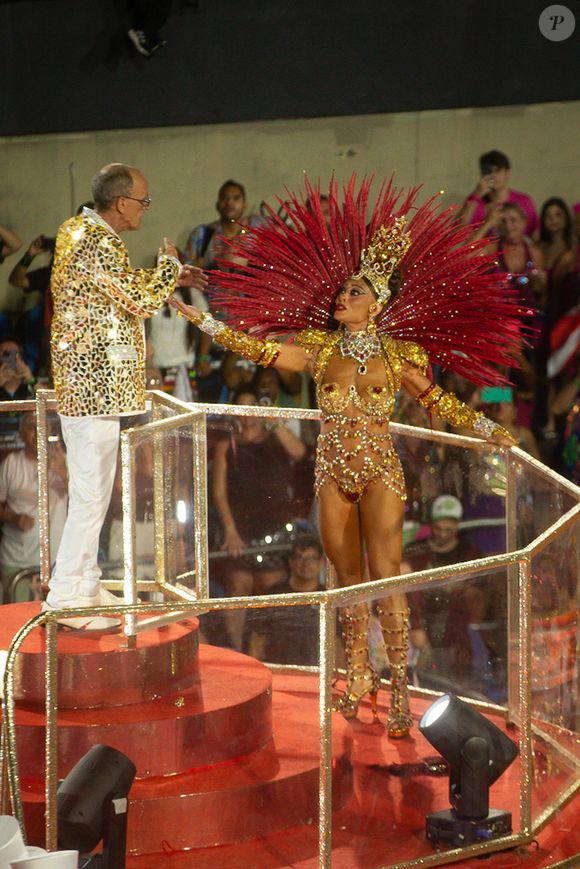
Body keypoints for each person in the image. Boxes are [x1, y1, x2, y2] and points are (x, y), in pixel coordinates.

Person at [171, 175, 524, 738]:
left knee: (386, 577)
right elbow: (259, 348)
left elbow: (436, 399)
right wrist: (200, 319)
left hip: (381, 469)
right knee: (344, 578)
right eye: (341, 292)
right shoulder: (319, 350)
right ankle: (358, 672)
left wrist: (489, 428)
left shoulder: (398, 352)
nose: (342, 297)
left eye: (354, 292)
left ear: (377, 302)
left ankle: (402, 687)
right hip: (332, 471)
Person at [47, 162, 206, 630]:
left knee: (94, 494)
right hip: (91, 389)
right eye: (143, 200)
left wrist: (168, 277)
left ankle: (83, 579)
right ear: (122, 203)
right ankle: (66, 595)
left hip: (97, 389)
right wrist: (168, 268)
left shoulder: (83, 233)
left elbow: (122, 289)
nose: (145, 209)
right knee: (91, 494)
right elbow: (138, 300)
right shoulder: (93, 239)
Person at [211, 388, 309, 649]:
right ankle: (237, 648)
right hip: (240, 526)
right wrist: (230, 530)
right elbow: (218, 491)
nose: (248, 416)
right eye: (241, 410)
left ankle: (269, 648)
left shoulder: (275, 439)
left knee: (271, 585)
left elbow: (299, 453)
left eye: (252, 408)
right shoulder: (227, 445)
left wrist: (274, 422)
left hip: (275, 524)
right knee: (238, 583)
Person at [0, 413, 68, 603]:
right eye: (31, 427)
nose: (37, 432)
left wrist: (63, 474)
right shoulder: (11, 463)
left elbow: (84, 501)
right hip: (16, 559)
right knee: (15, 621)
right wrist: (14, 518)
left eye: (42, 427)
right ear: (21, 433)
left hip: (55, 562)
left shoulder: (62, 459)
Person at [244, 534, 325, 664]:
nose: (306, 564)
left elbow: (336, 641)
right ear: (291, 561)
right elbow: (257, 637)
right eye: (300, 557)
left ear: (321, 562)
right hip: (279, 672)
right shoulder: (274, 596)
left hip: (317, 674)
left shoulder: (327, 598)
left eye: (312, 558)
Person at [460, 149, 539, 239]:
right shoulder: (475, 203)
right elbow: (459, 234)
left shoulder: (524, 201)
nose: (493, 175)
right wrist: (476, 195)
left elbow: (535, 237)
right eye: (488, 172)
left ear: (507, 173)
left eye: (497, 171)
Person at [8, 234, 55, 373]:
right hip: (50, 334)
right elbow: (16, 280)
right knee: (32, 318)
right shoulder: (51, 274)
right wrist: (30, 255)